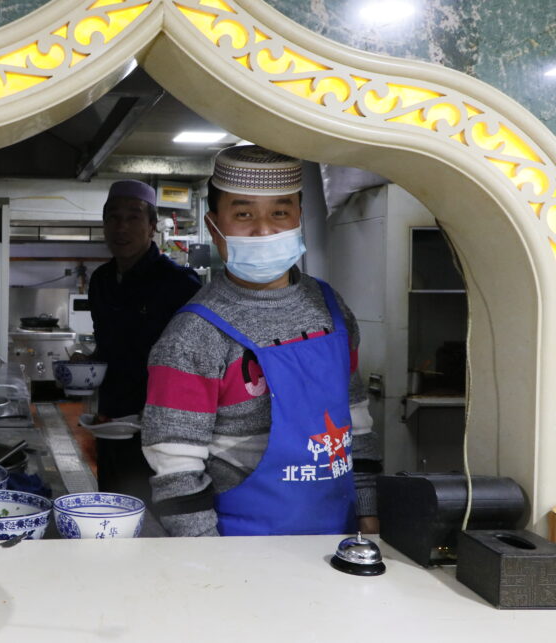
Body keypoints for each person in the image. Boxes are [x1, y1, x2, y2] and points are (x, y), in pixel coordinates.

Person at [141, 145, 382, 537]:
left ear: (299, 218)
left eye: (280, 213)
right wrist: (212, 562)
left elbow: (356, 420)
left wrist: (368, 514)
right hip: (243, 547)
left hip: (338, 534)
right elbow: (175, 466)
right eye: (243, 214)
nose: (264, 229)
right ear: (214, 224)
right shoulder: (193, 335)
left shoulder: (330, 309)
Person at [86, 179, 202, 507]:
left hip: (164, 427)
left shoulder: (180, 284)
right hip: (112, 423)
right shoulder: (101, 281)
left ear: (152, 226)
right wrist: (87, 369)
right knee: (112, 501)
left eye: (133, 217)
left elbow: (198, 362)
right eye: (113, 217)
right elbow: (108, 347)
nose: (121, 227)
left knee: (159, 512)